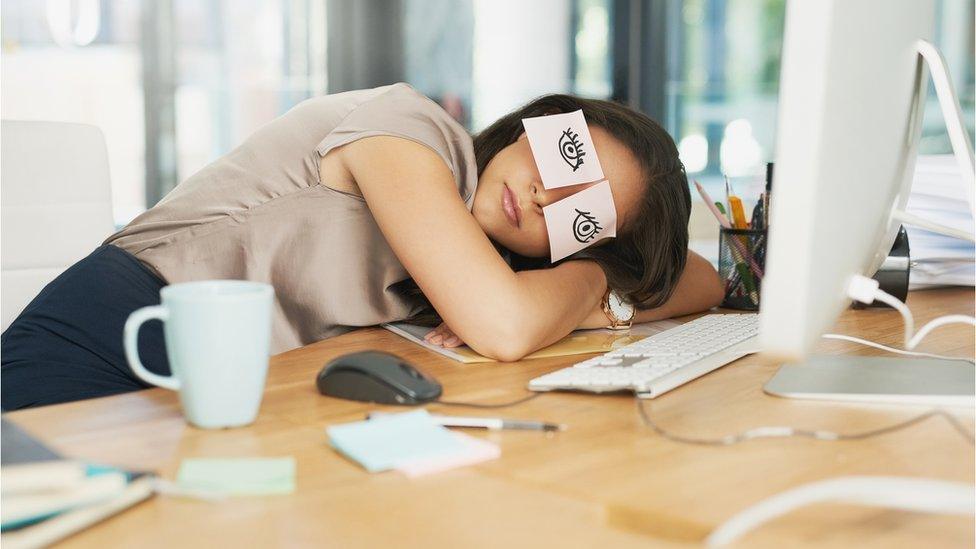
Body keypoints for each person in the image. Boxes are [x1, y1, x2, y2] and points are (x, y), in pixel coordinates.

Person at [1, 83, 722, 410]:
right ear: (539, 122)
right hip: (116, 331)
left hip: (227, 389)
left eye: (584, 214)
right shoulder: (407, 130)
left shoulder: (486, 255)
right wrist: (600, 290)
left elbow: (701, 280)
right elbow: (504, 326)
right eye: (566, 156)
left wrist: (598, 278)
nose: (546, 195)